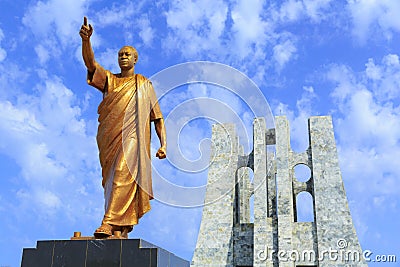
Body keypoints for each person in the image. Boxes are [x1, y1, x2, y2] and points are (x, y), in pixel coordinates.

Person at [79, 17, 167, 238]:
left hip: (133, 138)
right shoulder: (111, 81)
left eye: (127, 54)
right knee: (112, 182)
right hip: (110, 138)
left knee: (122, 173)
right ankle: (120, 229)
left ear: (135, 59)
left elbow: (157, 118)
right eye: (120, 54)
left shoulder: (144, 85)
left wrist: (163, 144)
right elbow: (91, 65)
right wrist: (86, 41)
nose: (123, 57)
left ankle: (108, 223)